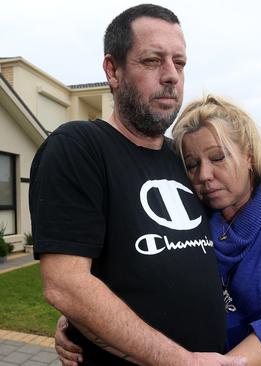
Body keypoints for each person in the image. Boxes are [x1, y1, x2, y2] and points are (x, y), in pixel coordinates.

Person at [29, 4, 246, 366]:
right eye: (152, 61)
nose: (171, 76)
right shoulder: (78, 147)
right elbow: (66, 284)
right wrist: (185, 362)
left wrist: (83, 317)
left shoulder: (185, 160)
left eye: (179, 62)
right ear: (113, 70)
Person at [55, 95, 261, 366]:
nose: (204, 175)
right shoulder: (190, 215)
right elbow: (141, 280)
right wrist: (82, 322)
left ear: (248, 154)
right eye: (192, 164)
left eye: (217, 158)